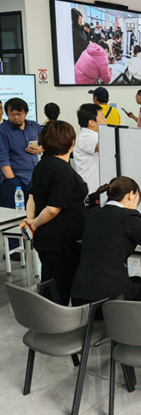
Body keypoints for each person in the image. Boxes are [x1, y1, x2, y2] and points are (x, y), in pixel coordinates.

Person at [71, 177, 141, 309]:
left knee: (136, 281)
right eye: (138, 197)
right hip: (109, 300)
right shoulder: (128, 217)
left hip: (80, 297)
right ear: (131, 195)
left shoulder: (92, 213)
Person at [20, 121, 87, 306]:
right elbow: (53, 208)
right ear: (72, 142)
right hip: (62, 240)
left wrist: (31, 220)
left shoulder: (42, 164)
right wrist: (33, 224)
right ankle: (54, 321)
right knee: (59, 289)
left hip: (47, 237)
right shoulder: (62, 170)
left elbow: (32, 197)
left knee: (51, 282)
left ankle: (48, 318)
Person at [0, 98, 43, 210]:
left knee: (34, 211)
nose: (15, 117)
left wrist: (40, 149)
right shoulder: (2, 130)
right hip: (15, 178)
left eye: (19, 114)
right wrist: (11, 180)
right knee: (13, 212)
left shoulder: (34, 126)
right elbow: (2, 158)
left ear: (26, 113)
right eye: (11, 114)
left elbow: (46, 144)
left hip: (33, 177)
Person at [73, 104, 107, 194]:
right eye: (102, 117)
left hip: (100, 187)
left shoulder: (96, 135)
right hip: (92, 189)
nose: (105, 119)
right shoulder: (84, 137)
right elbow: (99, 146)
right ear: (91, 122)